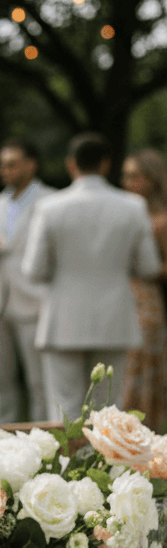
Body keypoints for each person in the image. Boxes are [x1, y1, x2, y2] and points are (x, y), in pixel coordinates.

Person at [22, 133, 161, 421]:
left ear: (71, 164)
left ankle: (65, 453)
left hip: (62, 319)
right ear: (106, 164)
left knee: (63, 409)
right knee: (108, 409)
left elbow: (34, 270)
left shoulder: (50, 208)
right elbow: (148, 267)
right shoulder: (133, 207)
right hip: (114, 318)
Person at [0, 139, 55, 424]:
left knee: (39, 381)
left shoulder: (51, 201)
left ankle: (42, 440)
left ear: (31, 165)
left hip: (35, 301)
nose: (4, 170)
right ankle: (2, 438)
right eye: (2, 164)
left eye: (11, 164)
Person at [120, 149, 167, 432]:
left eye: (135, 176)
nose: (128, 183)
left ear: (152, 179)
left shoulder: (162, 220)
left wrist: (144, 267)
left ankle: (143, 434)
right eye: (125, 176)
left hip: (145, 298)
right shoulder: (120, 212)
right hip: (116, 296)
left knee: (140, 368)